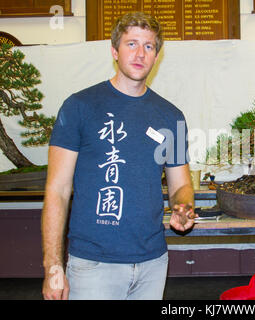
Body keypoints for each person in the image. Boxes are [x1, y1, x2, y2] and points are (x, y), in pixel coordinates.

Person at [41, 12, 195, 300]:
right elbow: (57, 190)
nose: (140, 54)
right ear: (114, 51)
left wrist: (183, 206)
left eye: (149, 46)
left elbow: (180, 184)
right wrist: (53, 266)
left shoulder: (171, 117)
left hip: (152, 263)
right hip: (93, 265)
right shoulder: (79, 107)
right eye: (131, 44)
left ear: (156, 56)